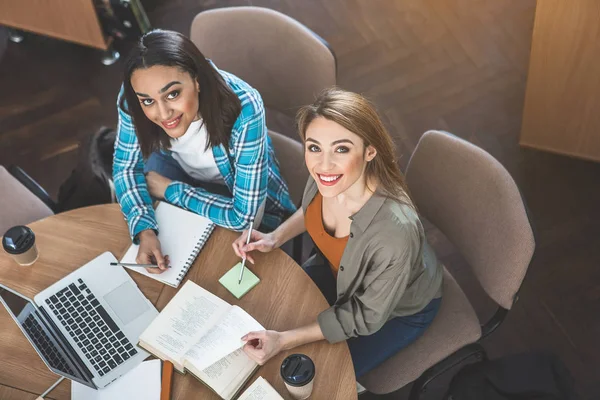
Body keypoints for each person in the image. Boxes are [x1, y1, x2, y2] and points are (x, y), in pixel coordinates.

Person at [232, 88, 443, 378]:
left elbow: (364, 316)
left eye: (341, 149)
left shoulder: (395, 234)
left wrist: (283, 340)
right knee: (267, 316)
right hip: (338, 275)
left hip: (394, 311)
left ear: (370, 151)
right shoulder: (328, 178)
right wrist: (275, 237)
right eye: (314, 147)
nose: (323, 164)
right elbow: (311, 210)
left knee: (320, 377)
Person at [113, 29, 295, 274]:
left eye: (173, 94)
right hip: (178, 168)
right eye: (148, 101)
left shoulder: (246, 108)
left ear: (197, 80)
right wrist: (145, 231)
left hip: (234, 188)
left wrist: (170, 189)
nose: (163, 114)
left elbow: (245, 218)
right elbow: (125, 167)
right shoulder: (132, 98)